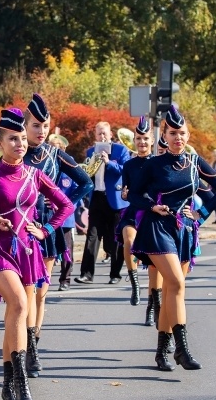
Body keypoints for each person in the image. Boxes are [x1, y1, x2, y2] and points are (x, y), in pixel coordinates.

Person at [0, 107, 73, 400]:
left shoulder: (36, 175)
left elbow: (65, 205)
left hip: (27, 251)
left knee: (19, 314)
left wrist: (47, 229)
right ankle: (21, 381)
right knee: (20, 304)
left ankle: (9, 382)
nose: (20, 144)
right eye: (13, 139)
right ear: (0, 144)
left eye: (22, 138)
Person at [130, 106, 216, 371]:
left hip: (184, 230)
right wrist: (151, 206)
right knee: (175, 283)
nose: (178, 138)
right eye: (173, 133)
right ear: (164, 134)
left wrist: (199, 214)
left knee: (174, 289)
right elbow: (133, 195)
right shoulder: (153, 164)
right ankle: (182, 349)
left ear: (188, 135)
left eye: (182, 133)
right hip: (156, 228)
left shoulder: (195, 163)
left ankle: (162, 350)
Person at [23, 93, 93, 377]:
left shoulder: (55, 155)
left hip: (47, 231)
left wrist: (62, 205)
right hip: (18, 231)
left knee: (40, 293)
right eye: (36, 125)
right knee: (24, 292)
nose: (41, 131)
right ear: (24, 126)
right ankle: (23, 343)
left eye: (46, 125)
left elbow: (85, 183)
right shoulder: (15, 153)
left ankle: (33, 346)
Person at [75, 121, 131, 285]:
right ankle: (86, 274)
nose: (102, 136)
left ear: (111, 134)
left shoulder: (121, 150)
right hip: (97, 197)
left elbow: (124, 170)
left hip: (114, 200)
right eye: (99, 133)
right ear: (95, 136)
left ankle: (115, 274)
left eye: (105, 133)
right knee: (92, 236)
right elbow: (87, 175)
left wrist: (108, 162)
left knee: (114, 238)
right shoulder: (91, 151)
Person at [117, 116, 160, 313]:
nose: (141, 142)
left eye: (145, 138)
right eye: (138, 138)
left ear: (151, 140)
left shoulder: (158, 163)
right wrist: (124, 194)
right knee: (129, 238)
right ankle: (134, 282)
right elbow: (126, 192)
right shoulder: (129, 165)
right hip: (134, 210)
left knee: (154, 266)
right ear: (134, 140)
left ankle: (152, 307)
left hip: (152, 212)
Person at [48, 133, 77, 291]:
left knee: (67, 249)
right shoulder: (44, 166)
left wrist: (67, 205)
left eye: (57, 147)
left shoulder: (70, 168)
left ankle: (65, 279)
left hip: (65, 217)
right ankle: (44, 277)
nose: (53, 150)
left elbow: (78, 190)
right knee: (47, 248)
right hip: (48, 215)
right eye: (51, 147)